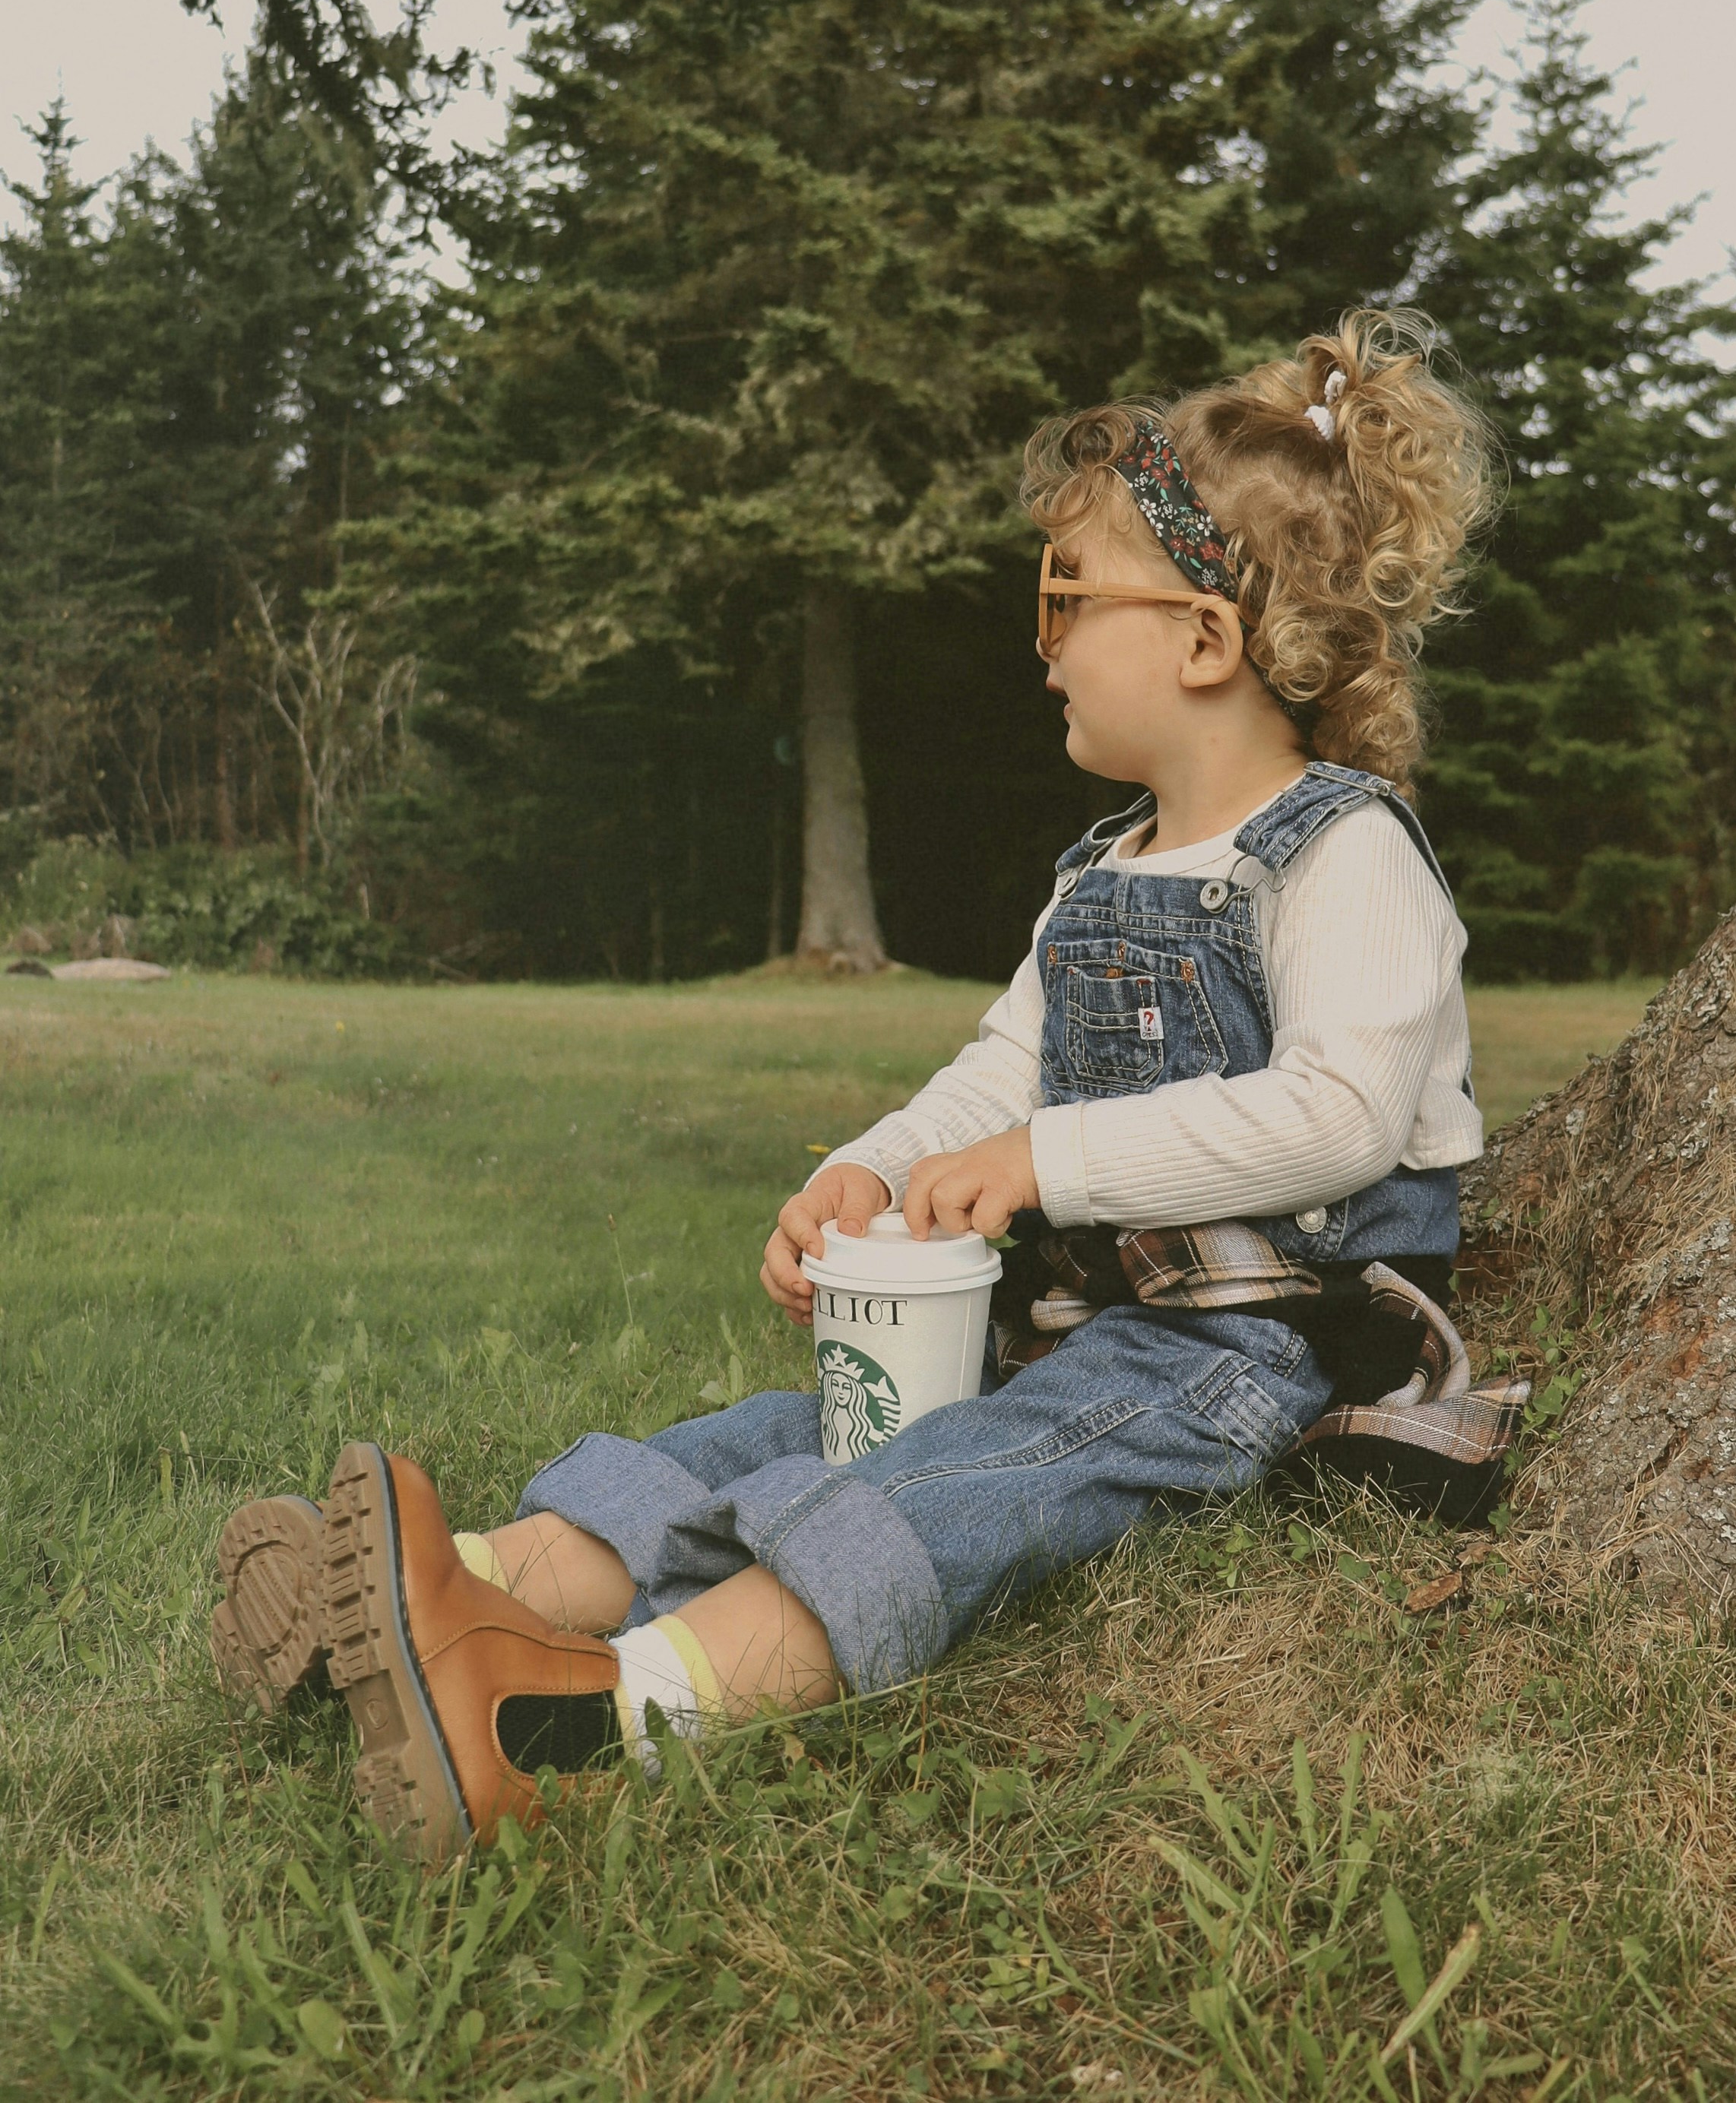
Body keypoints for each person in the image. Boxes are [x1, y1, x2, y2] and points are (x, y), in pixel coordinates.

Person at [212, 311, 1526, 1867]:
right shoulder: (1104, 871)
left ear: (1202, 638)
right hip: (1084, 1329)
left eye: (1064, 597)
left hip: (1246, 1357)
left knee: (944, 1481)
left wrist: (1048, 1159)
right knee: (787, 1434)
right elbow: (998, 1066)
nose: (1038, 644)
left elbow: (1339, 1118)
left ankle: (567, 1727)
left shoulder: (1344, 850)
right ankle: (462, 1594)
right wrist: (870, 1167)